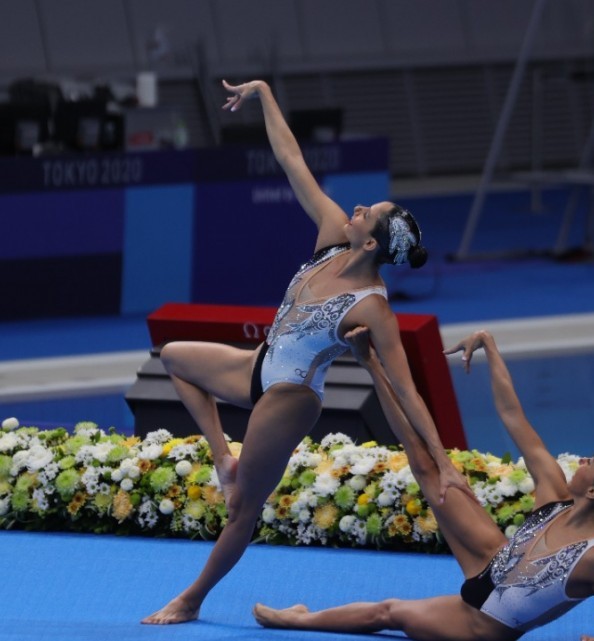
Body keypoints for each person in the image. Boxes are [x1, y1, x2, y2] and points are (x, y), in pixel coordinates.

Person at [142, 79, 473, 625]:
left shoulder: (372, 307)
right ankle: (224, 458)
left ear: (372, 243)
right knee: (174, 356)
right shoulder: (332, 237)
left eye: (368, 213)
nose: (358, 207)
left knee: (243, 508)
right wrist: (264, 93)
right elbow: (291, 158)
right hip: (257, 364)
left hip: (292, 395)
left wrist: (443, 462)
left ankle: (191, 599)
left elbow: (408, 391)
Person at [252, 328, 594, 641]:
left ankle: (298, 620)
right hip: (490, 559)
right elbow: (513, 415)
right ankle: (368, 361)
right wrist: (490, 347)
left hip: (480, 622)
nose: (582, 459)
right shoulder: (556, 493)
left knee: (388, 612)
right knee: (427, 464)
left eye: (591, 462)